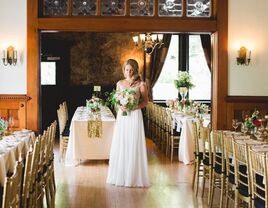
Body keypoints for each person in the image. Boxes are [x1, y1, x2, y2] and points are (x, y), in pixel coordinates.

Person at [106, 59, 150, 187]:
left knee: (133, 143)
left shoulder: (141, 84)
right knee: (122, 142)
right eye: (126, 70)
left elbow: (145, 102)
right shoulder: (119, 83)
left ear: (135, 70)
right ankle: (120, 175)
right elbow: (116, 100)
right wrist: (120, 106)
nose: (129, 72)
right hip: (123, 116)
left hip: (135, 115)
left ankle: (133, 177)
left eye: (131, 70)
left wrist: (134, 107)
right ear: (123, 70)